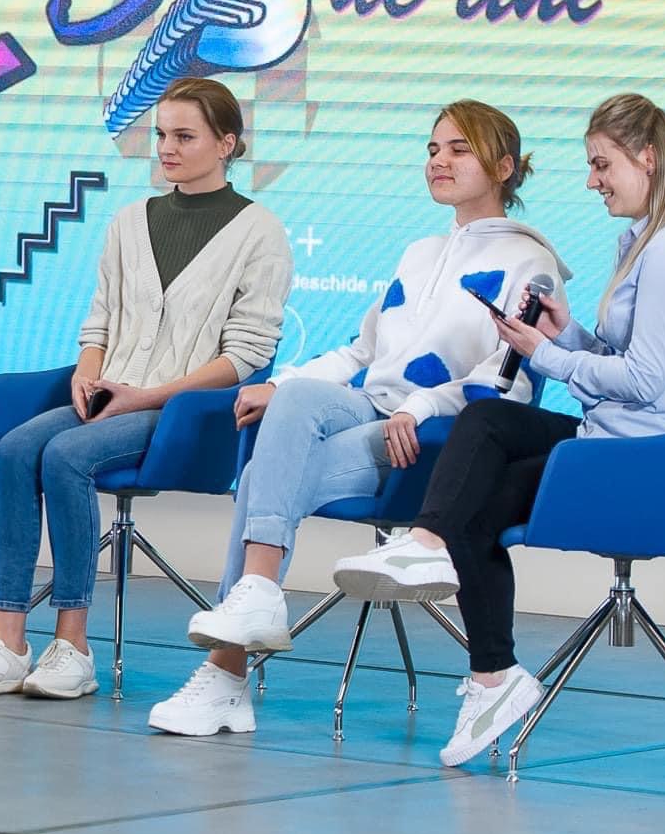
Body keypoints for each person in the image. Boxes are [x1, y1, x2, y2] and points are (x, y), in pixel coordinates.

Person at [333, 92, 665, 767]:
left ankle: (424, 545)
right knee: (477, 496)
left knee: (488, 422)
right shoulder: (643, 245)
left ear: (649, 158)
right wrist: (562, 331)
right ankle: (493, 677)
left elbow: (643, 382)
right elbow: (622, 361)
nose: (591, 180)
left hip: (658, 460)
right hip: (622, 442)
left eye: (602, 164)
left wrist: (546, 354)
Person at [148, 100, 571, 736]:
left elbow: (506, 384)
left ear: (504, 166)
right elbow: (360, 353)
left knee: (271, 474)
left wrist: (420, 404)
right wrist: (282, 383)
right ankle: (256, 601)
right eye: (433, 149)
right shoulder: (419, 252)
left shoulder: (532, 266)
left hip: (429, 437)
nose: (439, 161)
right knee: (285, 410)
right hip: (368, 406)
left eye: (459, 149)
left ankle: (228, 673)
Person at [0, 78, 292, 701]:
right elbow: (99, 319)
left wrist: (148, 397)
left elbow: (246, 356)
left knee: (67, 455)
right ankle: (8, 644)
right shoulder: (129, 221)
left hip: (183, 412)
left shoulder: (260, 231)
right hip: (107, 395)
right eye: (161, 135)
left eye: (184, 136)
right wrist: (86, 369)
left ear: (227, 143)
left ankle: (72, 646)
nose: (167, 149)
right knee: (21, 447)